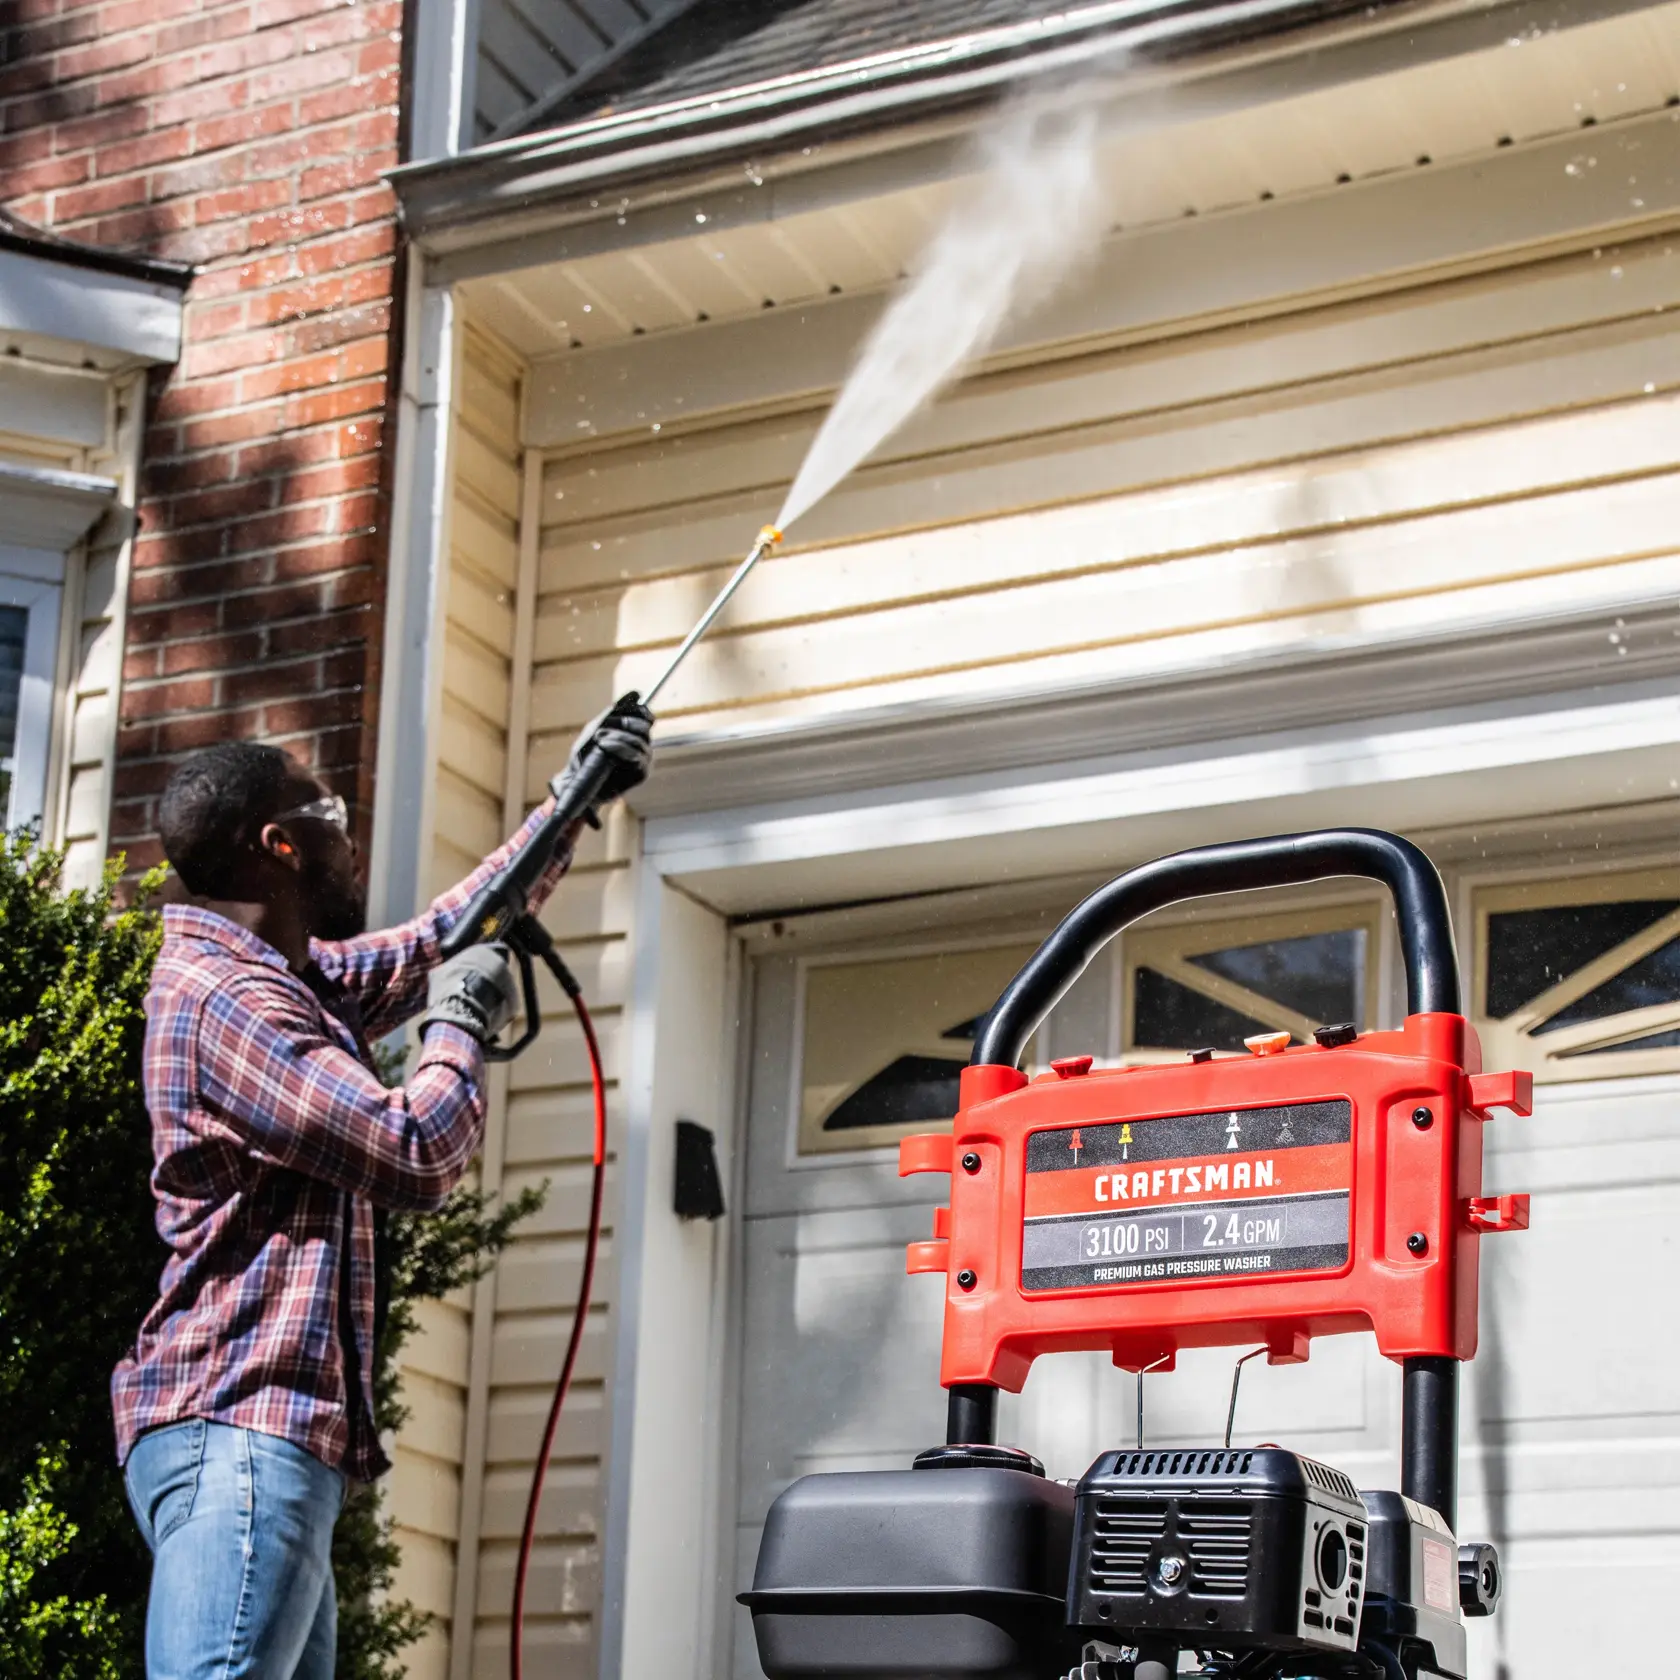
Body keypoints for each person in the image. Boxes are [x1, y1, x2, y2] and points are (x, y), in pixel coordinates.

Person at [110, 697, 652, 1680]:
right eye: (334, 822)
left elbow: (452, 934)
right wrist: (459, 1027)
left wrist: (574, 799)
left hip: (262, 1442)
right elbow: (413, 1151)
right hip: (239, 1428)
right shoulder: (230, 1004)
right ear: (278, 845)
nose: (350, 844)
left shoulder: (285, 980)